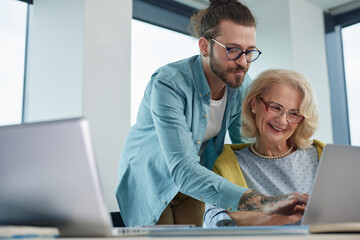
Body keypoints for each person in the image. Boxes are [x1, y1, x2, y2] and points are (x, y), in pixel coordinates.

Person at [116, 0, 308, 227]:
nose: (243, 62)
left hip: (197, 179)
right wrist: (263, 202)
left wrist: (288, 186)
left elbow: (245, 149)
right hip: (152, 178)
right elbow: (183, 169)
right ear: (205, 47)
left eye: (249, 52)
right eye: (233, 50)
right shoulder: (168, 85)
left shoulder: (241, 85)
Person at [204, 69, 325, 227]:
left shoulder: (320, 155)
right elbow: (216, 219)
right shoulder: (228, 162)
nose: (282, 121)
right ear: (254, 104)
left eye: (294, 114)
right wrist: (272, 216)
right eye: (275, 108)